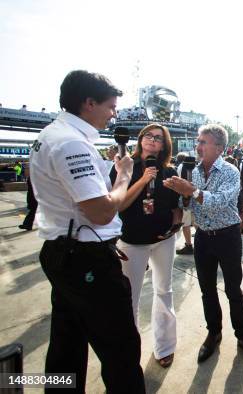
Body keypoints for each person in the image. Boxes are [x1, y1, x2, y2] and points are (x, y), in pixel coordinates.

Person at [29, 70, 144, 392]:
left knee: (67, 344)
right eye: (110, 106)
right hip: (86, 259)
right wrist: (123, 176)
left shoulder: (53, 134)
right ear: (89, 102)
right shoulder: (70, 143)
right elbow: (103, 211)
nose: (114, 114)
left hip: (63, 252)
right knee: (120, 349)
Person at [163, 124, 243, 365]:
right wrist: (181, 198)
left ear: (219, 147)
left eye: (203, 142)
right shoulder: (193, 171)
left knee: (233, 289)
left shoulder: (230, 171)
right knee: (207, 289)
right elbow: (190, 205)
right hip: (203, 238)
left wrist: (192, 191)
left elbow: (219, 202)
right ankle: (213, 333)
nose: (197, 146)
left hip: (228, 236)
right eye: (198, 141)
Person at [110, 123, 182, 368]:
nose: (153, 140)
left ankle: (164, 347)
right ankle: (129, 354)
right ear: (140, 139)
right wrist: (142, 180)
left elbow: (175, 208)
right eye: (149, 136)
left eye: (159, 138)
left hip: (163, 241)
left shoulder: (169, 170)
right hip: (132, 241)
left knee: (164, 291)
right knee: (129, 297)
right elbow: (118, 205)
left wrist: (175, 224)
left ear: (164, 145)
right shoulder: (124, 165)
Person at [175, 152, 194, 255]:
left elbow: (179, 183)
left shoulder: (181, 167)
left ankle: (189, 245)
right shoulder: (196, 166)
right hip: (195, 198)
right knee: (195, 222)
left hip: (186, 198)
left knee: (186, 223)